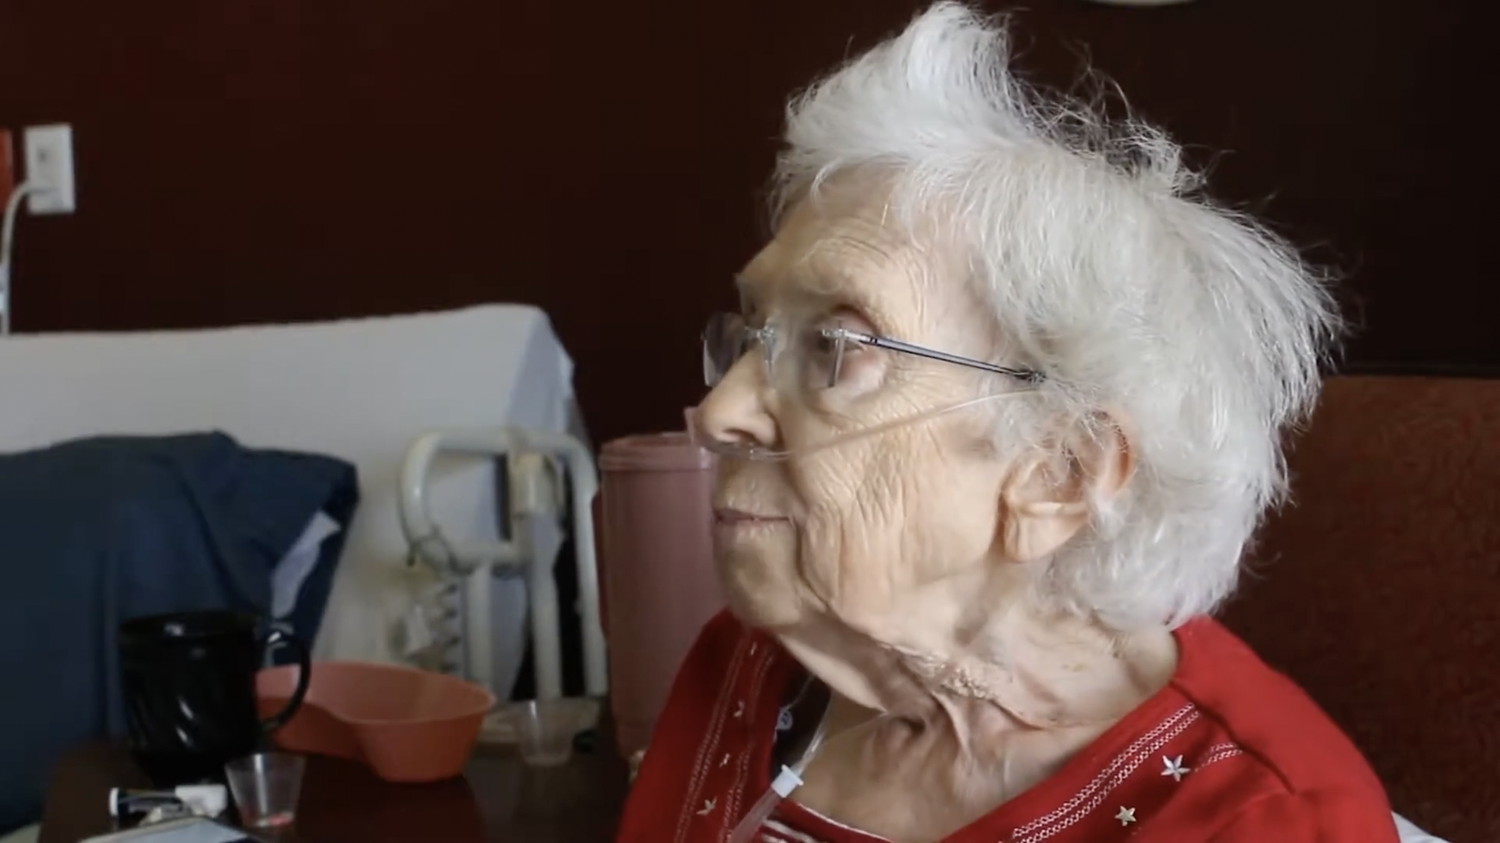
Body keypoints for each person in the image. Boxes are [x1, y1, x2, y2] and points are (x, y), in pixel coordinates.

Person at [615, 3, 1401, 841]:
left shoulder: (1259, 821)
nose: (723, 411)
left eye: (838, 347)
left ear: (1058, 469)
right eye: (754, 334)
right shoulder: (754, 664)